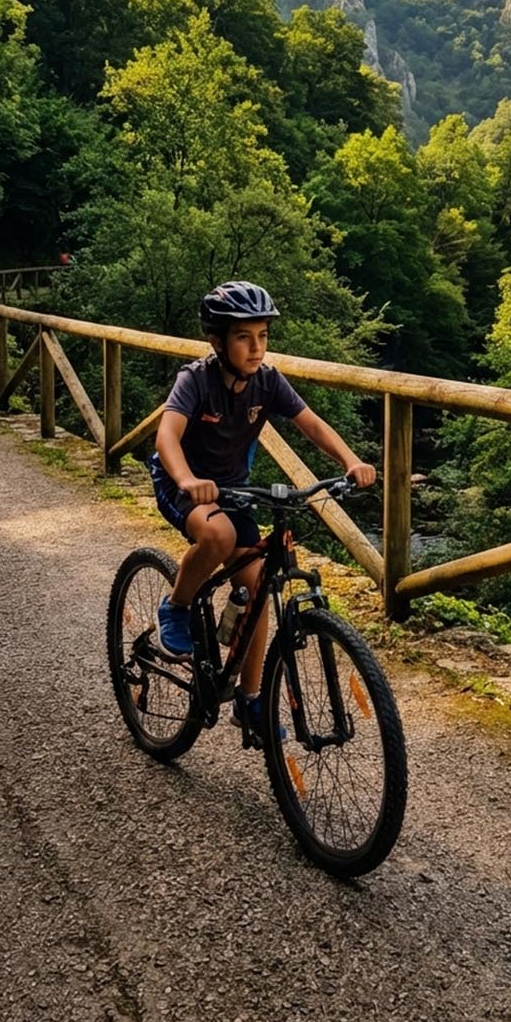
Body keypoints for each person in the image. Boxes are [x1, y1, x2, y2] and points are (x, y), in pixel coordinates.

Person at [147, 280, 376, 738]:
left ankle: (250, 700)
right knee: (220, 536)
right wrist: (188, 479)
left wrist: (350, 460)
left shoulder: (268, 381)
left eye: (263, 336)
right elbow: (167, 435)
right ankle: (177, 606)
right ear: (217, 341)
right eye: (243, 337)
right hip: (183, 484)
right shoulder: (196, 380)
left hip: (235, 489)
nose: (256, 348)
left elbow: (312, 424)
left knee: (257, 586)